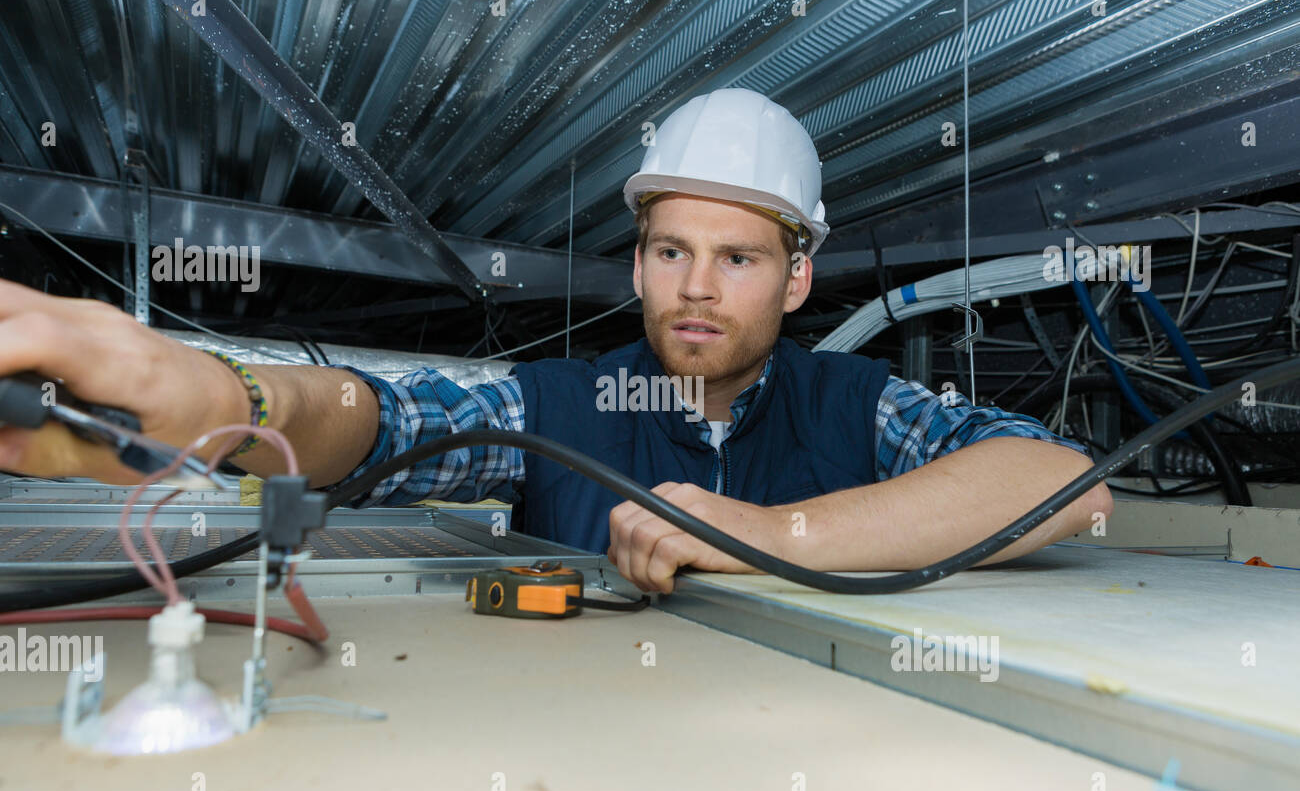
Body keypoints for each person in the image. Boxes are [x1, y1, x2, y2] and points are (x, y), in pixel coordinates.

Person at [0, 88, 1110, 594]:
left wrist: (771, 531)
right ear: (635, 264)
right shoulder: (558, 405)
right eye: (670, 251)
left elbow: (1067, 482)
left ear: (797, 277)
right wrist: (224, 396)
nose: (697, 288)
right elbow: (388, 419)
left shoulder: (855, 404)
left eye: (740, 258)